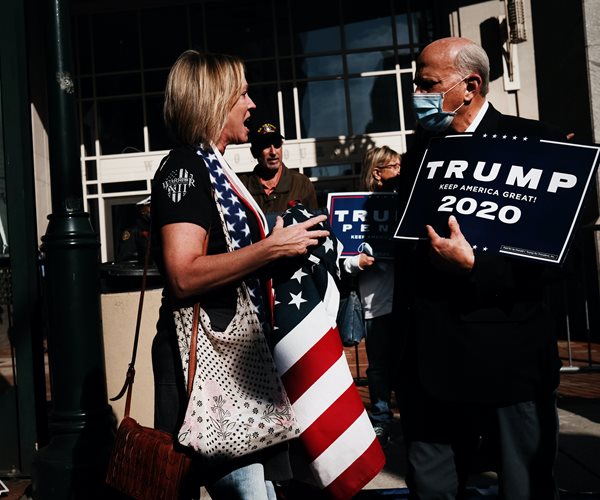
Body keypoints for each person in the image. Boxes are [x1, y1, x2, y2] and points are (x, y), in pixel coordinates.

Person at [150, 50, 330, 500]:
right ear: (215, 100)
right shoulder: (186, 168)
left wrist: (282, 246)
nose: (251, 105)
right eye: (243, 94)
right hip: (205, 360)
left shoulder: (216, 167)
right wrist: (271, 247)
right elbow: (184, 274)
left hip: (235, 358)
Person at [395, 37, 565, 499]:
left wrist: (476, 266)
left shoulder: (538, 144)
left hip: (509, 364)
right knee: (430, 488)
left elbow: (554, 259)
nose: (417, 94)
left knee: (524, 489)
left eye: (427, 84)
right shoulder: (421, 152)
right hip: (431, 368)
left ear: (470, 86)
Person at [341, 145, 401, 447]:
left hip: (403, 302)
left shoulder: (404, 203)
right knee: (378, 367)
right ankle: (381, 419)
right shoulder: (356, 208)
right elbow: (341, 258)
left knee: (404, 364)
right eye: (394, 167)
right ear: (377, 173)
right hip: (374, 304)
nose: (399, 172)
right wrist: (358, 262)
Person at [239, 122, 318, 221]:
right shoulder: (241, 186)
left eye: (277, 145)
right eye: (266, 145)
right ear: (254, 152)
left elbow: (314, 224)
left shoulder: (301, 184)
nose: (273, 152)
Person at [115, 196, 151, 265]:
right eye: (150, 206)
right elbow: (126, 261)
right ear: (142, 210)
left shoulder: (156, 229)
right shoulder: (132, 232)